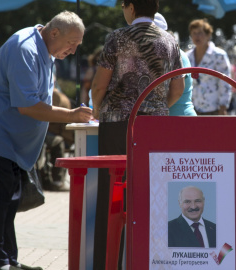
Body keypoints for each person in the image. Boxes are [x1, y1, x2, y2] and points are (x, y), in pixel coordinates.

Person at [0, 11, 92, 270]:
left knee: (8, 198)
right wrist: (70, 114)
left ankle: (7, 260)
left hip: (3, 137)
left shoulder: (45, 49)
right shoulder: (25, 48)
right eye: (72, 43)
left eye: (78, 45)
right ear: (54, 32)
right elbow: (28, 106)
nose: (73, 50)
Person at [90, 1, 184, 268]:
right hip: (154, 127)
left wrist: (99, 109)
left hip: (117, 123)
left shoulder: (116, 38)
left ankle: (105, 262)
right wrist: (157, 108)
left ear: (130, 7)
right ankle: (149, 260)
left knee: (111, 192)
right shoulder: (169, 41)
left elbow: (99, 85)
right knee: (152, 193)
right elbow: (178, 88)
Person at [152, 13, 196, 116]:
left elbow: (177, 92)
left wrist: (154, 113)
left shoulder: (177, 54)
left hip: (179, 119)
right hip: (173, 118)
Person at [186, 19, 232, 115]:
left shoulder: (219, 55)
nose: (196, 36)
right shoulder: (187, 56)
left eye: (200, 33)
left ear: (208, 35)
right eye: (194, 33)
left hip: (214, 109)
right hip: (192, 109)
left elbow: (225, 82)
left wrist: (223, 107)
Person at [36, 87, 74, 191]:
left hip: (52, 132)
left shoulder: (53, 95)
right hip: (57, 134)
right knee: (55, 141)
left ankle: (51, 179)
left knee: (54, 141)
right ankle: (56, 179)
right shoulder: (58, 96)